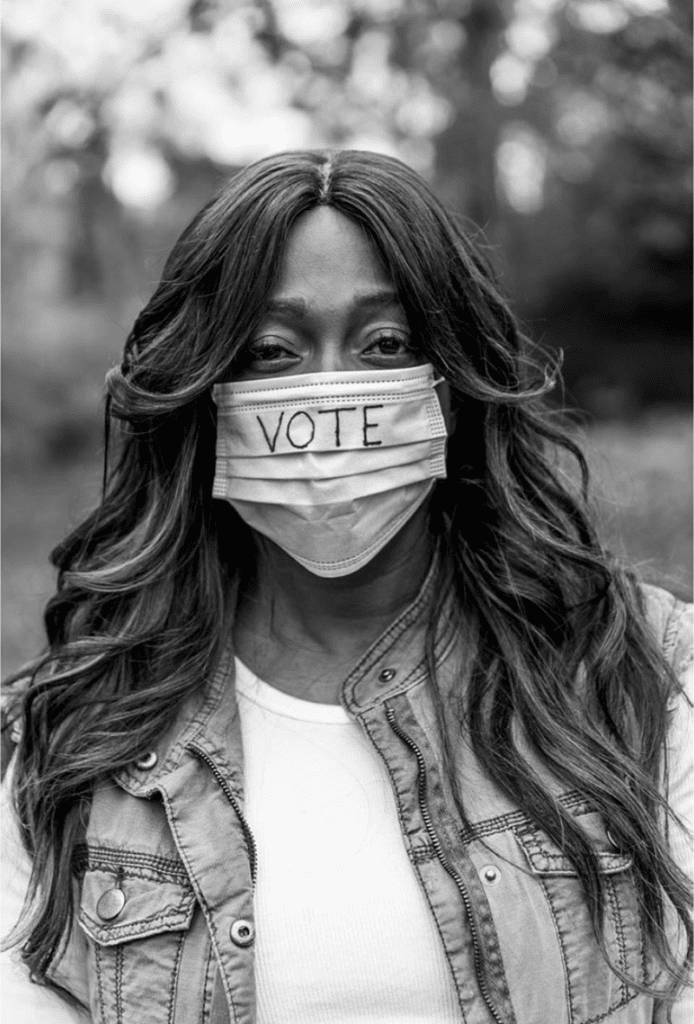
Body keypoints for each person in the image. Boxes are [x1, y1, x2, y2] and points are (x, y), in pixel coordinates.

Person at [1, 149, 691, 1024]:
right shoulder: (67, 739)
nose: (332, 393)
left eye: (387, 343)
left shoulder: (639, 677)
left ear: (455, 381)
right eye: (271, 350)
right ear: (203, 387)